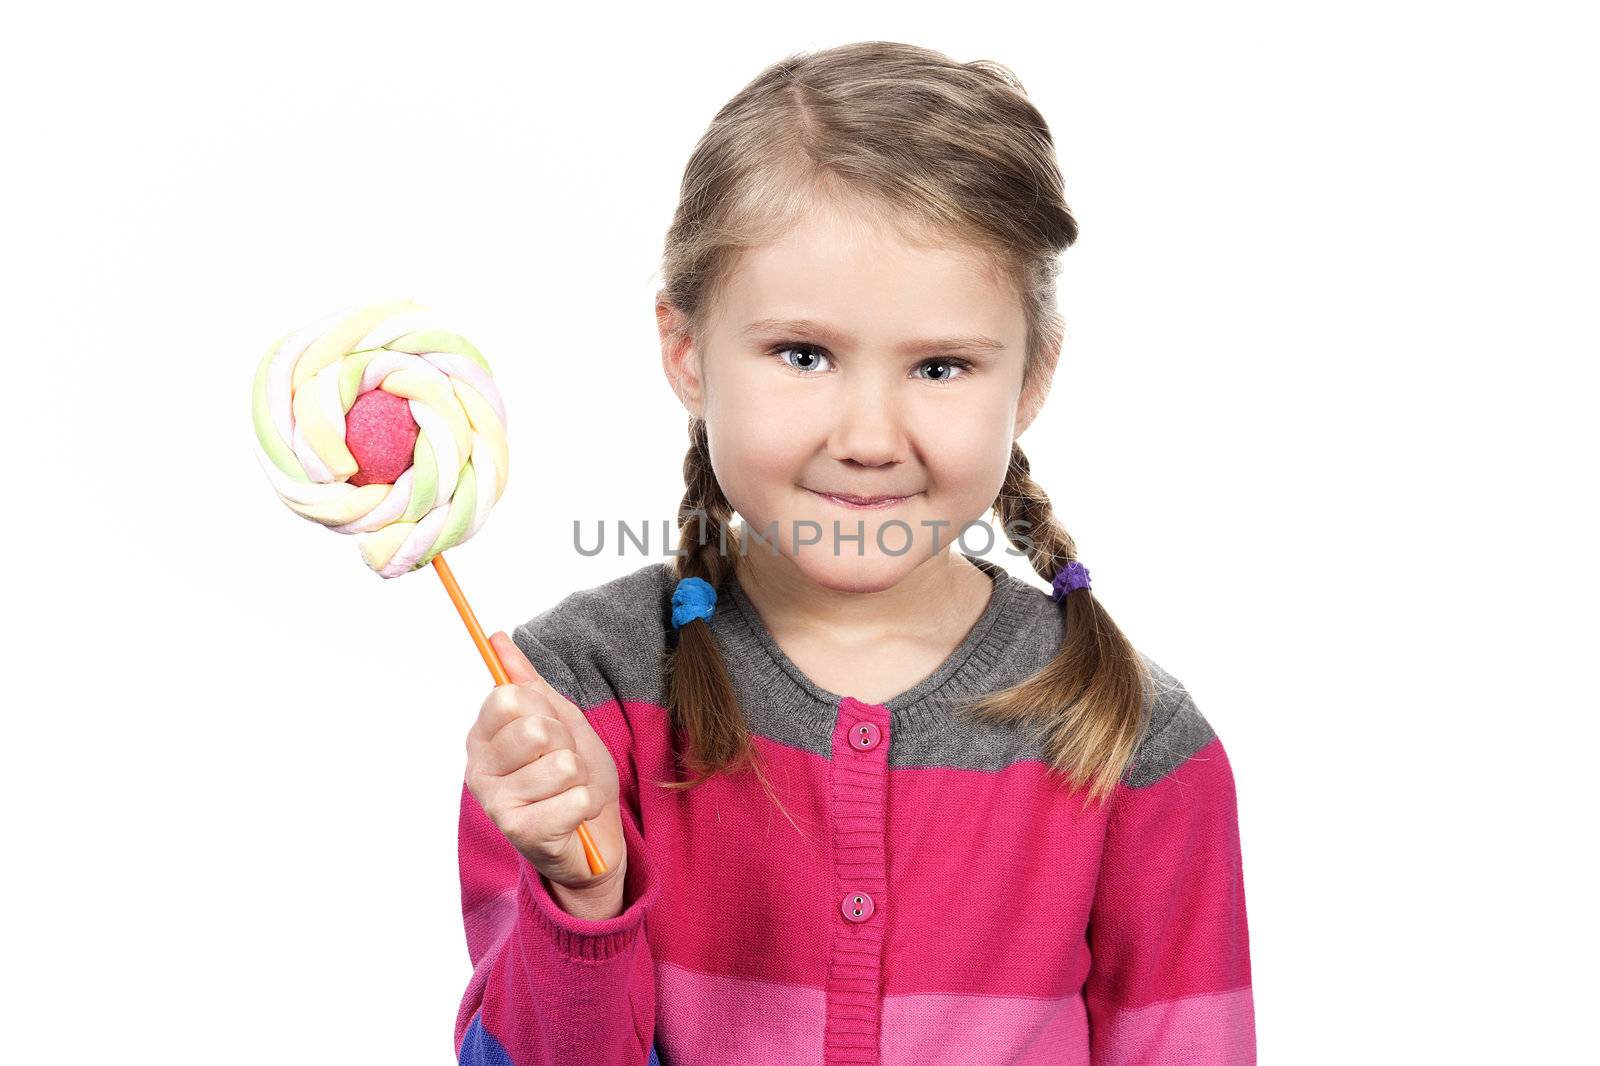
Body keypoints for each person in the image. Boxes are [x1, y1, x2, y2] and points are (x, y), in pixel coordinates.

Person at [455, 40, 1253, 1066]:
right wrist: (584, 890)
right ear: (686, 348)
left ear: (1033, 372)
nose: (869, 434)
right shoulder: (573, 705)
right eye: (804, 354)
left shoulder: (1135, 742)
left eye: (939, 364)